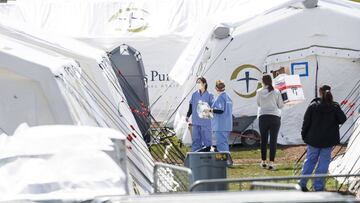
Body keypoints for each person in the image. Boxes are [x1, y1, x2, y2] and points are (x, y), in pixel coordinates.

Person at [299, 85, 346, 192]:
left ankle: (302, 184)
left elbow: (306, 123)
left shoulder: (313, 106)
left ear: (320, 93)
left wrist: (304, 135)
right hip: (327, 141)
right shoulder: (334, 107)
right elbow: (342, 119)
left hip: (313, 140)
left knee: (310, 161)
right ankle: (318, 186)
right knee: (324, 163)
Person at [256, 74, 284, 170]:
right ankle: (271, 162)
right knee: (273, 140)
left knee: (263, 140)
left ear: (263, 81)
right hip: (274, 117)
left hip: (263, 117)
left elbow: (258, 104)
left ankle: (263, 161)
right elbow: (280, 105)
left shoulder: (259, 92)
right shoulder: (276, 91)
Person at [186, 77, 214, 152]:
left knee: (207, 140)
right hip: (196, 121)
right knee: (196, 139)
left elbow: (213, 108)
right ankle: (196, 154)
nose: (198, 84)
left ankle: (208, 155)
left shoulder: (210, 95)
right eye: (197, 83)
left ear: (204, 84)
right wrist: (188, 115)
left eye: (200, 83)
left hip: (206, 122)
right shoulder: (194, 94)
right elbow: (191, 106)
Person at [208, 80, 233, 152]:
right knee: (224, 143)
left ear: (216, 88)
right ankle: (226, 160)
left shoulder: (220, 97)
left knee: (221, 145)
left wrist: (210, 110)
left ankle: (224, 161)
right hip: (227, 125)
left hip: (220, 126)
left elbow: (220, 110)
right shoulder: (228, 97)